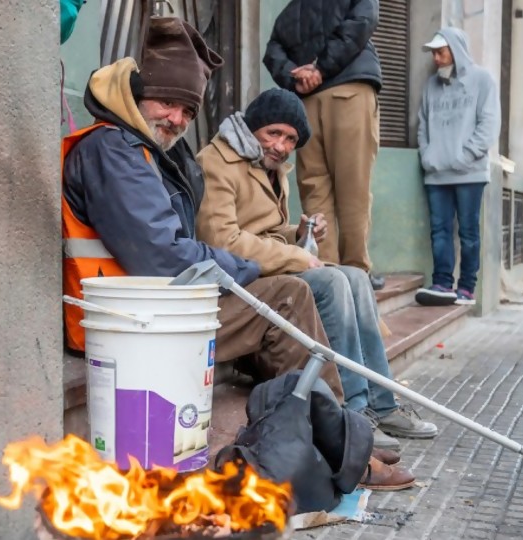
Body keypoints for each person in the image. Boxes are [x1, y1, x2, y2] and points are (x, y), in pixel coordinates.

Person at [62, 16, 412, 489]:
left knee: (300, 294)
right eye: (168, 103)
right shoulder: (114, 150)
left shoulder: (138, 148)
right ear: (136, 95)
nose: (179, 120)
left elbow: (174, 248)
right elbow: (163, 254)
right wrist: (246, 268)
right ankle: (339, 447)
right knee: (288, 298)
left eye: (187, 111)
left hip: (155, 307)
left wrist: (274, 249)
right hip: (134, 320)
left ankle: (330, 438)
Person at [195, 88, 438, 452]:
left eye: (290, 139)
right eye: (273, 133)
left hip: (264, 270)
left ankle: (382, 403)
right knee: (329, 280)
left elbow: (262, 229)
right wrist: (296, 257)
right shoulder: (216, 162)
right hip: (238, 284)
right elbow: (223, 240)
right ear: (253, 127)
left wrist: (298, 231)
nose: (280, 145)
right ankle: (355, 411)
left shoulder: (266, 164)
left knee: (354, 277)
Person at [263, 0, 385, 291]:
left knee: (314, 188)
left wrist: (297, 77)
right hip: (349, 90)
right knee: (353, 187)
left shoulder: (292, 10)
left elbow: (273, 50)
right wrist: (321, 68)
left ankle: (327, 273)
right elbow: (362, 23)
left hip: (308, 102)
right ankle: (357, 274)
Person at [415, 28, 501, 307]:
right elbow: (423, 126)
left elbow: (489, 126)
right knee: (439, 230)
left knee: (468, 232)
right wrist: (427, 156)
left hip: (469, 172)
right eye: (434, 53)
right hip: (436, 173)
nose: (436, 58)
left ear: (457, 51)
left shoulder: (482, 80)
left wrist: (464, 157)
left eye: (441, 52)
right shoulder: (431, 85)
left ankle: (467, 288)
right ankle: (442, 283)